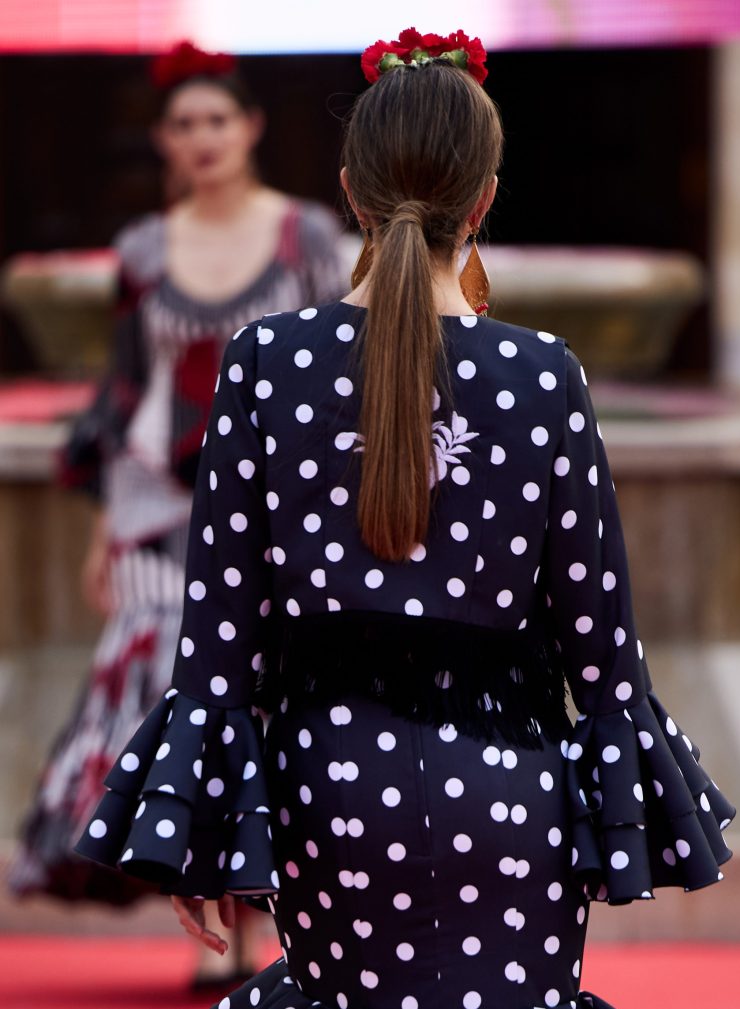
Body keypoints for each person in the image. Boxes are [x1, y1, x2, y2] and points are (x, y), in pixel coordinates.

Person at [75, 28, 735, 1009]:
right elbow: (600, 650)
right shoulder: (544, 373)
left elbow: (217, 638)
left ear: (350, 193)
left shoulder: (264, 363)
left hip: (326, 789)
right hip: (514, 795)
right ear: (484, 201)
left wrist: (197, 831)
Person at [8, 40, 346, 992]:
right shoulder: (143, 250)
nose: (202, 138)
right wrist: (100, 530)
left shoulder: (309, 238)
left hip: (278, 511)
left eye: (218, 120)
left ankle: (268, 927)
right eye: (184, 124)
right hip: (160, 513)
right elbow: (122, 393)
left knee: (269, 701)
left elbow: (336, 380)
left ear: (252, 128)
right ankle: (212, 933)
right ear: (162, 138)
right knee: (172, 703)